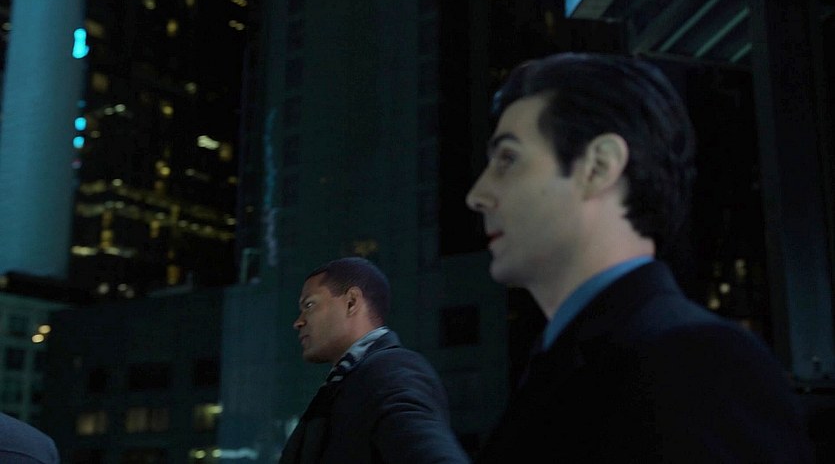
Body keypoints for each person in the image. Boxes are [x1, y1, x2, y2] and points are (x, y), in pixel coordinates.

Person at [465, 52, 814, 462]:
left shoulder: (697, 360)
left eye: (507, 159)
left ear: (599, 166)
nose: (477, 195)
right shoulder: (574, 357)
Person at [279, 256, 470, 463]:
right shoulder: (349, 381)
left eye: (309, 305)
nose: (298, 322)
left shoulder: (391, 370)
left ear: (351, 302)